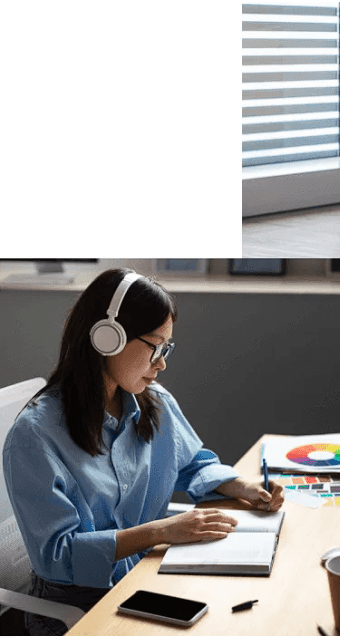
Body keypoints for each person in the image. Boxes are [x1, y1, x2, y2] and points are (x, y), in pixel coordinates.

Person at [2, 269, 284, 635]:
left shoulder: (155, 403)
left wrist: (243, 487)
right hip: (72, 608)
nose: (162, 362)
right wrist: (160, 531)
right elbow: (59, 554)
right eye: (155, 346)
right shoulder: (34, 437)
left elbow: (193, 464)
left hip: (138, 578)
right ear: (107, 338)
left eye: (167, 348)